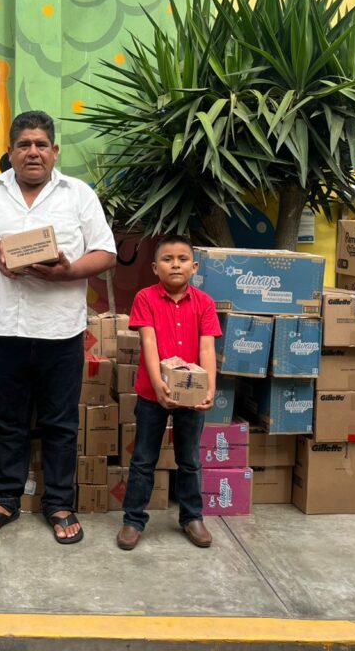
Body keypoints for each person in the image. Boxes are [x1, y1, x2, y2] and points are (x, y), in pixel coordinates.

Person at [0, 110, 116, 544]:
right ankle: (6, 498)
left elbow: (105, 252)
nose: (33, 152)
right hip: (5, 329)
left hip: (60, 330)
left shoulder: (78, 194)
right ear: (9, 152)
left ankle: (59, 502)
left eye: (40, 145)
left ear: (54, 151)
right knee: (7, 421)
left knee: (60, 423)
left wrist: (67, 272)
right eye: (24, 145)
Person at [116, 234, 221, 551]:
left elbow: (207, 348)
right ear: (154, 267)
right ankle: (133, 520)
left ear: (194, 266)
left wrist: (210, 388)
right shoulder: (145, 298)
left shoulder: (205, 303)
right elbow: (148, 343)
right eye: (167, 259)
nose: (175, 264)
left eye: (182, 259)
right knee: (143, 460)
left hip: (191, 396)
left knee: (189, 460)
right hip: (152, 395)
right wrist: (159, 383)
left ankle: (192, 517)